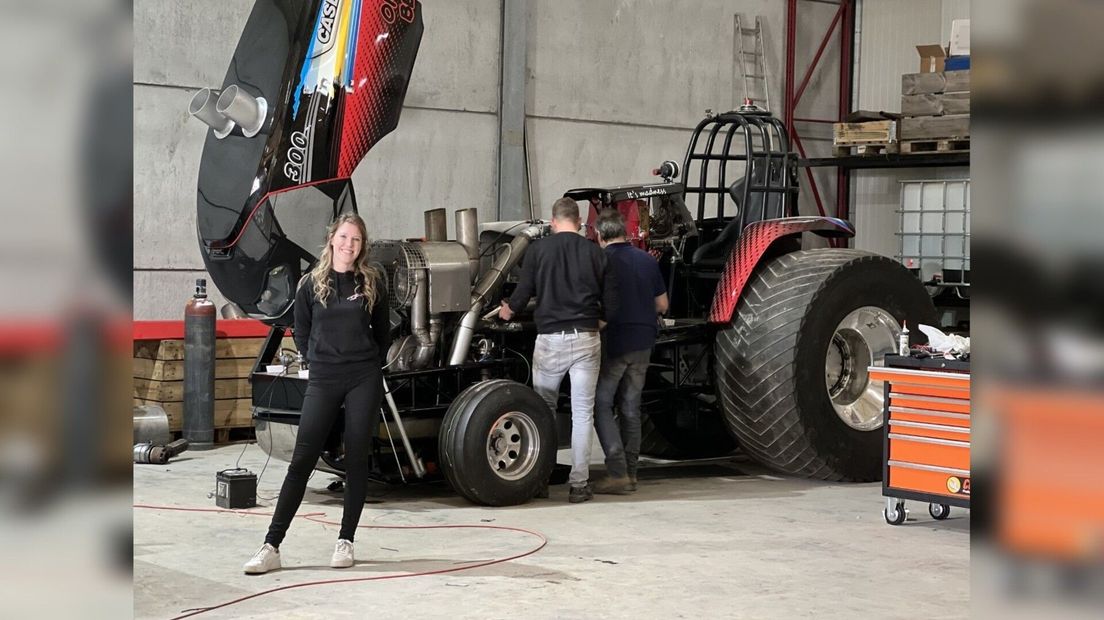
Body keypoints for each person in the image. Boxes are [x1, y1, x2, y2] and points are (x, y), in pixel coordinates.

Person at [243, 212, 390, 574]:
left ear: (362, 245)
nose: (348, 245)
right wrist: (317, 361)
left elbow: (384, 332)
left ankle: (346, 540)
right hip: (324, 378)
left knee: (356, 458)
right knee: (302, 461)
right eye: (343, 237)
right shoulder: (311, 284)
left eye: (355, 240)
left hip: (362, 377)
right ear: (331, 240)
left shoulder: (372, 281)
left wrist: (369, 364)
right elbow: (302, 332)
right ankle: (271, 545)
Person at [499, 197, 617, 503]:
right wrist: (599, 321)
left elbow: (522, 293)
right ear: (578, 223)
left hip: (550, 340)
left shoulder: (538, 251)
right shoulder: (594, 251)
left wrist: (507, 311)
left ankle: (541, 480)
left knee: (543, 411)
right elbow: (612, 299)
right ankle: (579, 485)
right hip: (586, 338)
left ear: (553, 222)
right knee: (582, 414)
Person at [592, 210, 668, 494]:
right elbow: (662, 305)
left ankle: (617, 471)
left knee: (601, 403)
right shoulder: (647, 260)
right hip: (644, 341)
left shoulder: (601, 260)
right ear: (625, 233)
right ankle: (632, 474)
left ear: (600, 236)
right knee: (630, 407)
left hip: (616, 342)